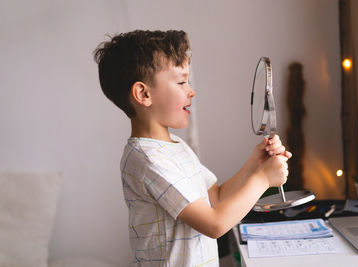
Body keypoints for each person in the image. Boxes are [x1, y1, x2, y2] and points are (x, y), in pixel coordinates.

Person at [93, 30, 291, 267]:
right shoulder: (147, 160)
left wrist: (254, 165)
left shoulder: (176, 147)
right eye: (181, 81)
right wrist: (262, 180)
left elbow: (215, 199)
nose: (191, 90)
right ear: (143, 94)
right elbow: (214, 224)